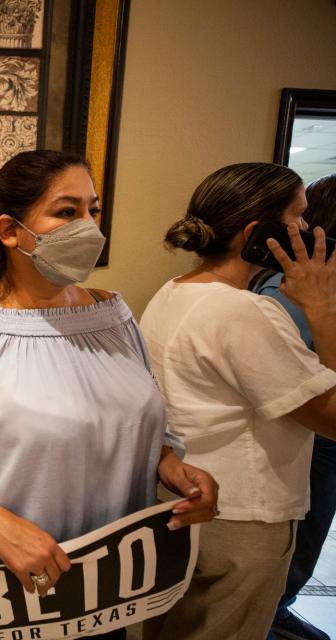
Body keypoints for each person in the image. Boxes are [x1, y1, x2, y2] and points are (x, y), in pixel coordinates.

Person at [0, 150, 218, 640]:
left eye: (92, 210)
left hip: (101, 587)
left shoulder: (115, 317)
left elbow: (139, 421)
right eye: (67, 212)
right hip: (0, 586)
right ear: (9, 230)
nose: (89, 227)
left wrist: (168, 463)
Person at [140, 163, 336, 640]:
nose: (311, 232)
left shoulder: (176, 291)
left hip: (185, 502)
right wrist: (323, 307)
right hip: (243, 520)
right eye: (300, 218)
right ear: (256, 232)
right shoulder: (246, 313)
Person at [251, 173, 336, 640]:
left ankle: (279, 608)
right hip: (313, 438)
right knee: (300, 543)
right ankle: (273, 614)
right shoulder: (283, 298)